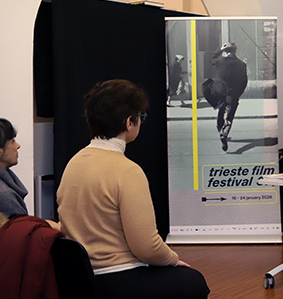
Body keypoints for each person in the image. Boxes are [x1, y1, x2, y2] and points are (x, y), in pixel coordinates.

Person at [57, 80, 210, 299]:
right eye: (141, 117)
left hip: (79, 280)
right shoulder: (127, 171)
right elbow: (146, 247)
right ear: (130, 122)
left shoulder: (73, 163)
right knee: (193, 282)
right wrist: (174, 259)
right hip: (117, 279)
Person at [0, 118, 60, 229]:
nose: (17, 145)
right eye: (12, 141)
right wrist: (47, 226)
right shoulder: (4, 194)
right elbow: (21, 230)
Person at [208, 42, 248, 152]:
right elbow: (244, 81)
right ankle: (225, 132)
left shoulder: (220, 61)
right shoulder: (241, 64)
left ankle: (220, 129)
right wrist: (238, 93)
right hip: (233, 93)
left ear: (225, 51)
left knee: (221, 110)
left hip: (220, 91)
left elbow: (211, 59)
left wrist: (220, 49)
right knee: (230, 114)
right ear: (235, 51)